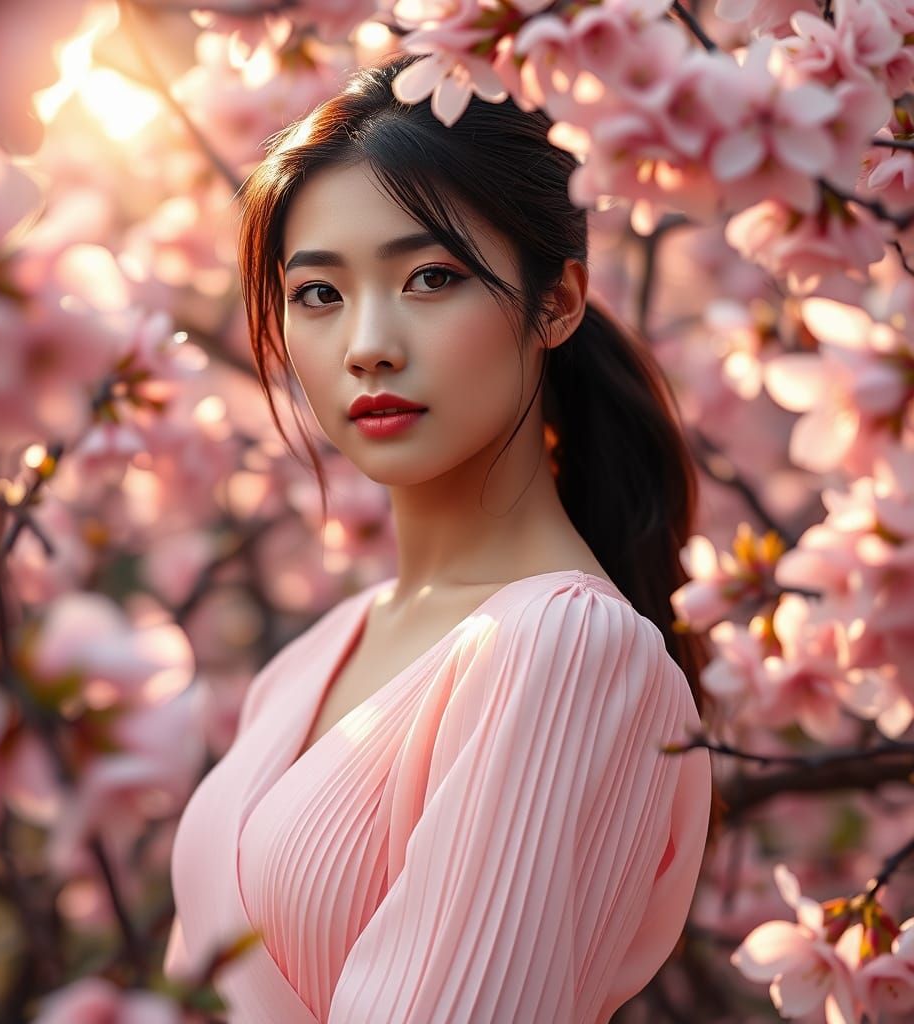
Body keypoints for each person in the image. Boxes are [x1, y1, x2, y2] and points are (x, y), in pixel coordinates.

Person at [166, 51, 717, 1024]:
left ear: (556, 301)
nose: (366, 341)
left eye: (429, 276)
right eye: (319, 294)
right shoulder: (311, 656)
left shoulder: (565, 647)